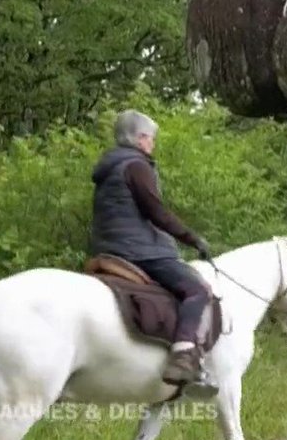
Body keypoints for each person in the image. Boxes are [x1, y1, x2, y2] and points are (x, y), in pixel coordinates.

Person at [89, 110, 214, 385]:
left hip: (106, 248)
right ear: (142, 138)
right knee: (197, 291)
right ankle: (183, 355)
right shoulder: (136, 166)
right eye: (152, 139)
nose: (153, 145)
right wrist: (193, 239)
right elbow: (157, 213)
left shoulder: (108, 168)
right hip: (139, 251)